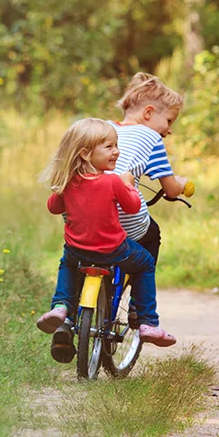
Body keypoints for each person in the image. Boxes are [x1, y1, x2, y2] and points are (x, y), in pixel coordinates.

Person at [36, 118, 177, 360]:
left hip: (77, 250)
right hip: (114, 249)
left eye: (116, 145)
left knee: (67, 266)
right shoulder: (113, 181)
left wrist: (59, 188)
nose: (117, 152)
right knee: (144, 263)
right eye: (110, 147)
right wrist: (130, 185)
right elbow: (132, 207)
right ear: (85, 152)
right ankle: (147, 321)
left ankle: (61, 308)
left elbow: (53, 207)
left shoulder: (69, 181)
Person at [108, 72, 190, 266]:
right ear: (148, 113)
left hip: (84, 215)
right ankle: (142, 295)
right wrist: (181, 184)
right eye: (169, 121)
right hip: (125, 221)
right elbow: (171, 189)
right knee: (152, 234)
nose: (169, 130)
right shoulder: (150, 137)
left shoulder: (104, 129)